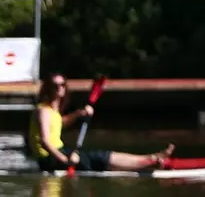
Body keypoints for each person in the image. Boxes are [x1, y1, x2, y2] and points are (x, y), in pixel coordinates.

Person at [28, 73, 174, 173]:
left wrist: (79, 114)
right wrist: (65, 160)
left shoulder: (52, 111)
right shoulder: (43, 111)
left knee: (98, 156)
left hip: (59, 153)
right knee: (99, 157)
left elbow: (60, 123)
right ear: (47, 88)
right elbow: (45, 141)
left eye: (62, 85)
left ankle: (148, 159)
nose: (60, 88)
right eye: (55, 85)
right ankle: (149, 160)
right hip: (49, 158)